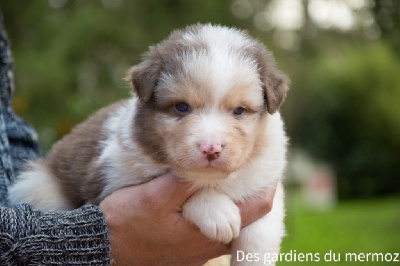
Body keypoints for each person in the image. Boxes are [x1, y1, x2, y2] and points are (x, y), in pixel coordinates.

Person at [0, 12, 276, 265]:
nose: (212, 143)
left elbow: (266, 207)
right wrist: (198, 199)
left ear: (267, 105)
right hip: (58, 211)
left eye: (239, 110)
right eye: (182, 107)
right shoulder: (131, 151)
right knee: (33, 187)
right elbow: (127, 205)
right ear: (144, 99)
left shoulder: (264, 151)